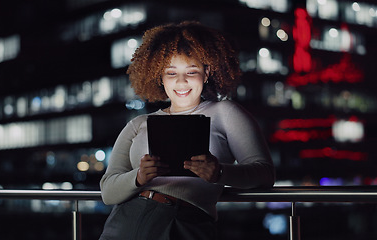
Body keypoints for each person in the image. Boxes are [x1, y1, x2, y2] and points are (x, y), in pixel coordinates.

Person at [99, 21, 275, 240]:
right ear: (160, 78)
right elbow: (107, 191)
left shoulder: (225, 113)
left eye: (191, 71)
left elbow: (265, 174)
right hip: (124, 221)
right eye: (171, 73)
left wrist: (220, 173)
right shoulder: (139, 123)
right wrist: (139, 176)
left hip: (184, 223)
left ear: (207, 72)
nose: (181, 82)